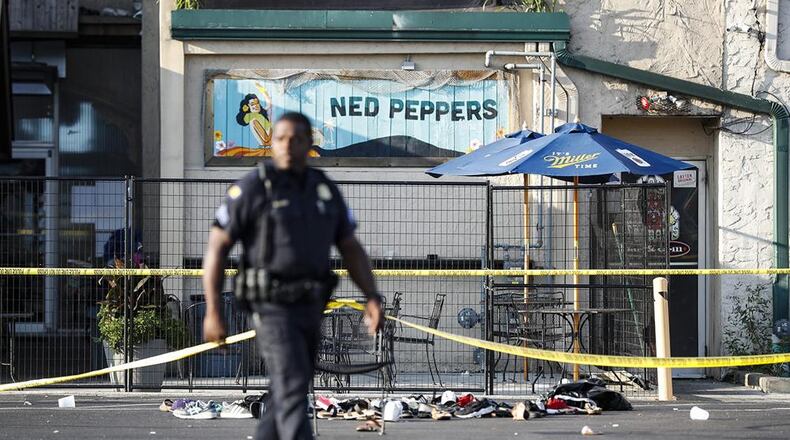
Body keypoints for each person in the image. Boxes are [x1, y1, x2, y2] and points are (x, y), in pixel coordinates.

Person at [202, 112, 383, 440]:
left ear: (308, 144)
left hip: (311, 306)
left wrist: (371, 295)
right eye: (281, 138)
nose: (288, 145)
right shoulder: (252, 188)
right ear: (271, 143)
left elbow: (350, 247)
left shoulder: (323, 190)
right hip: (271, 307)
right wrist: (213, 310)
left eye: (296, 138)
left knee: (289, 390)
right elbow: (217, 249)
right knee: (293, 388)